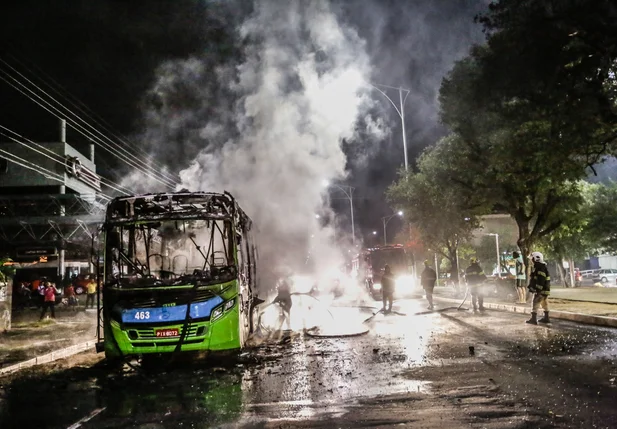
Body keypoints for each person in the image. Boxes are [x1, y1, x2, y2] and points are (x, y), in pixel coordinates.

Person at [526, 251, 551, 325]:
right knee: (544, 304)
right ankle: (546, 318)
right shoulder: (541, 267)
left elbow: (540, 280)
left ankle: (533, 319)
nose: (531, 260)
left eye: (532, 259)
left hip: (540, 291)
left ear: (536, 259)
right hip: (545, 290)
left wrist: (538, 290)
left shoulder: (540, 268)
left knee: (535, 303)